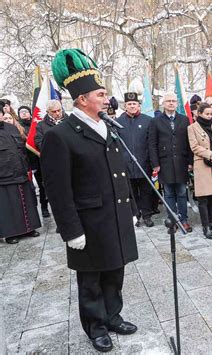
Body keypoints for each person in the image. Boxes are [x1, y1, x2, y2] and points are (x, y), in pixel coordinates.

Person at [41, 49, 139, 352]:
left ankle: (113, 316)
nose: (107, 98)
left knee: (116, 268)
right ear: (82, 99)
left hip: (116, 215)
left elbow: (120, 171)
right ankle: (96, 326)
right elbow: (58, 189)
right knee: (92, 278)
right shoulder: (62, 135)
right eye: (101, 93)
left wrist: (132, 209)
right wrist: (71, 231)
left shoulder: (108, 125)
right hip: (89, 221)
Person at [149, 92, 193, 232]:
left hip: (181, 162)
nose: (171, 103)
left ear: (177, 103)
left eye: (174, 101)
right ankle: (172, 220)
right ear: (163, 103)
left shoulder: (184, 120)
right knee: (168, 193)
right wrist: (155, 163)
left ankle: (184, 219)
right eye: (168, 101)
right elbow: (152, 144)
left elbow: (189, 142)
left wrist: (190, 162)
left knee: (181, 192)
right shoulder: (155, 121)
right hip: (165, 163)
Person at [0, 103, 41, 244]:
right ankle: (11, 233)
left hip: (21, 172)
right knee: (9, 206)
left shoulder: (12, 128)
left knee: (27, 203)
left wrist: (27, 166)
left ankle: (30, 229)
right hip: (4, 176)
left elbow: (22, 150)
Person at [116, 92, 155, 227]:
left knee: (146, 191)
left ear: (139, 106)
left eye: (134, 104)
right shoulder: (118, 122)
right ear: (125, 106)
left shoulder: (148, 121)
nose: (132, 106)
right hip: (126, 165)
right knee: (131, 192)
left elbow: (151, 143)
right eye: (129, 104)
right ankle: (135, 215)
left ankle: (147, 215)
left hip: (144, 164)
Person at [188, 103, 212, 239]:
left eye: (211, 114)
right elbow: (194, 146)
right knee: (203, 199)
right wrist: (210, 155)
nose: (210, 116)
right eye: (207, 114)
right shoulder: (192, 128)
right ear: (199, 114)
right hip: (203, 165)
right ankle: (206, 226)